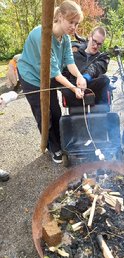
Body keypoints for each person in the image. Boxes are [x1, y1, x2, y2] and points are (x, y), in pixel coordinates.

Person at [17, 0, 87, 164]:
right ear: (60, 17)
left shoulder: (65, 39)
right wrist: (73, 88)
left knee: (55, 111)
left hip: (47, 75)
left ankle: (60, 141)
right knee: (44, 114)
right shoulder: (42, 35)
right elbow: (56, 73)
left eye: (76, 24)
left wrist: (80, 77)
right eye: (71, 22)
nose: (74, 27)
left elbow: (69, 62)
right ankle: (51, 146)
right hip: (31, 76)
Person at [62, 26, 110, 106]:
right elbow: (64, 72)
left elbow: (96, 68)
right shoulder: (74, 53)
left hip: (93, 89)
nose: (95, 46)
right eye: (94, 41)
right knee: (64, 86)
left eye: (99, 44)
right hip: (74, 88)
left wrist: (84, 78)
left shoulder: (103, 57)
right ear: (89, 37)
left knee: (105, 79)